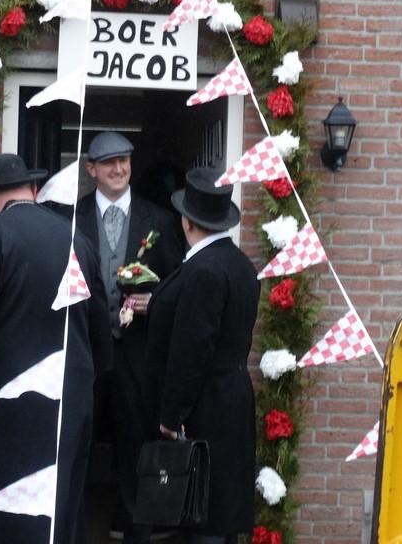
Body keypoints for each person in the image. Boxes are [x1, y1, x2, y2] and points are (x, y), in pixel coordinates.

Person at [0, 153, 112, 544]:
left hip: (11, 405)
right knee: (61, 503)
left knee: (10, 501)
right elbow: (100, 332)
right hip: (70, 400)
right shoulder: (78, 239)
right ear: (32, 189)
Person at [141, 167, 260, 544]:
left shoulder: (204, 270)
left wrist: (170, 416)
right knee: (219, 516)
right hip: (231, 399)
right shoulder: (240, 264)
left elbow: (192, 353)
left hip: (206, 408)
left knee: (206, 516)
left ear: (187, 221)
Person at [75, 131, 184, 543]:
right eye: (108, 162)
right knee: (78, 449)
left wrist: (153, 302)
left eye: (124, 160)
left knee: (135, 451)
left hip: (136, 357)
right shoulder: (72, 218)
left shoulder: (159, 219)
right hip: (86, 353)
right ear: (91, 169)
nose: (118, 169)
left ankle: (138, 533)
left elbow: (177, 283)